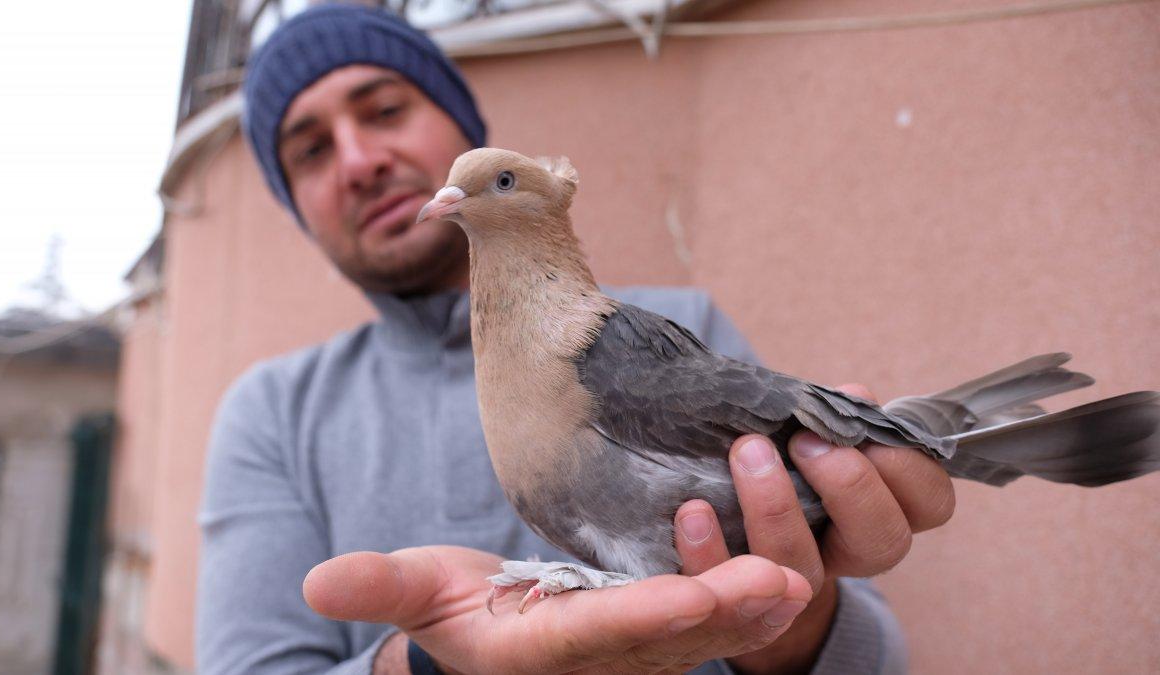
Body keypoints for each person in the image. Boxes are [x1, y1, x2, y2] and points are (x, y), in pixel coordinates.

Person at [196, 4, 955, 674]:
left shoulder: (659, 331)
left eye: (386, 108)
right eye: (311, 151)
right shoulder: (271, 414)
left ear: (467, 129)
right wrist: (435, 662)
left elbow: (877, 654)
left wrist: (784, 621)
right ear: (294, 203)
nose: (360, 160)